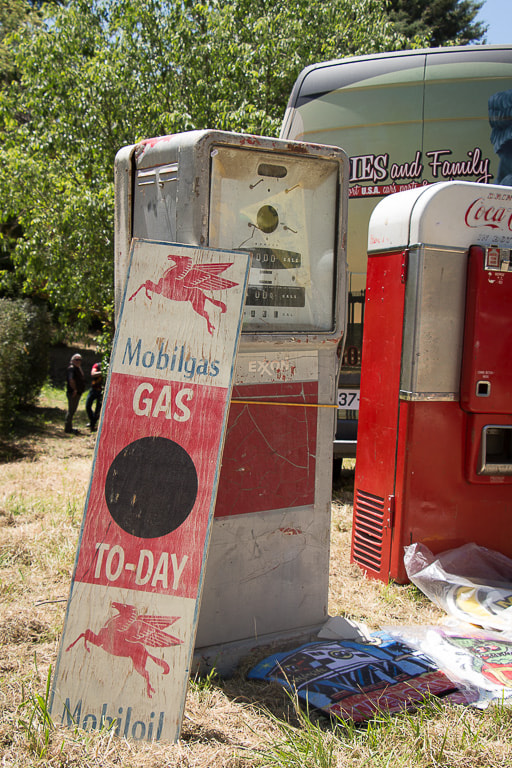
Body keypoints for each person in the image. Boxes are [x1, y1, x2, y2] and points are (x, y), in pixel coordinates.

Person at [65, 353, 85, 434]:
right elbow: (71, 380)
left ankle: (69, 427)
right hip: (73, 393)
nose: (78, 361)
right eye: (76, 359)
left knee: (73, 410)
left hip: (78, 393)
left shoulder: (78, 368)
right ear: (72, 360)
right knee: (71, 410)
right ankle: (67, 428)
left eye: (80, 360)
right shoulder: (72, 369)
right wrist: (75, 390)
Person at [86, 362, 103, 432]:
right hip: (93, 389)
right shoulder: (97, 365)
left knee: (98, 410)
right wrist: (103, 372)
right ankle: (92, 420)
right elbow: (93, 374)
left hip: (101, 392)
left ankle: (92, 425)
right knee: (88, 406)